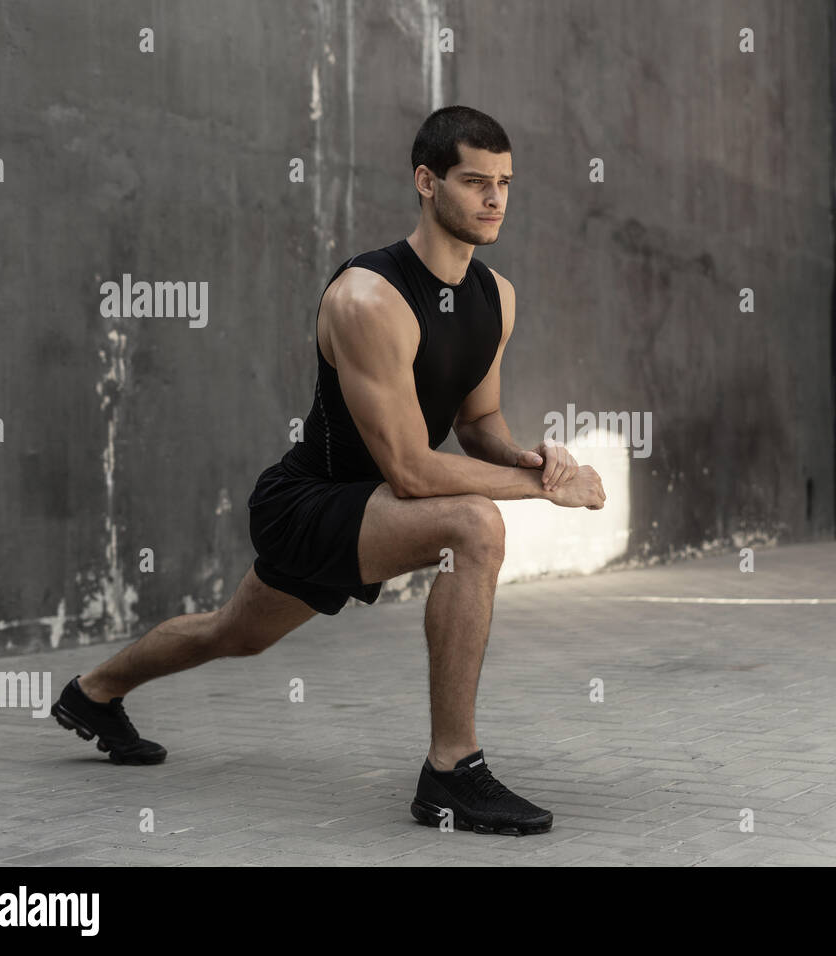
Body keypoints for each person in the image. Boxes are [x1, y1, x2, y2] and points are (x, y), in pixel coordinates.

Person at [52, 105, 606, 837]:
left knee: (235, 633)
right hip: (309, 502)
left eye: (504, 183)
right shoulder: (368, 298)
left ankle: (93, 693)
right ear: (425, 181)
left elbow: (477, 425)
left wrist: (535, 458)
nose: (495, 199)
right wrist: (545, 491)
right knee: (475, 524)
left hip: (372, 505)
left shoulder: (495, 298)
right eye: (475, 182)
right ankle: (451, 773)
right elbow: (410, 471)